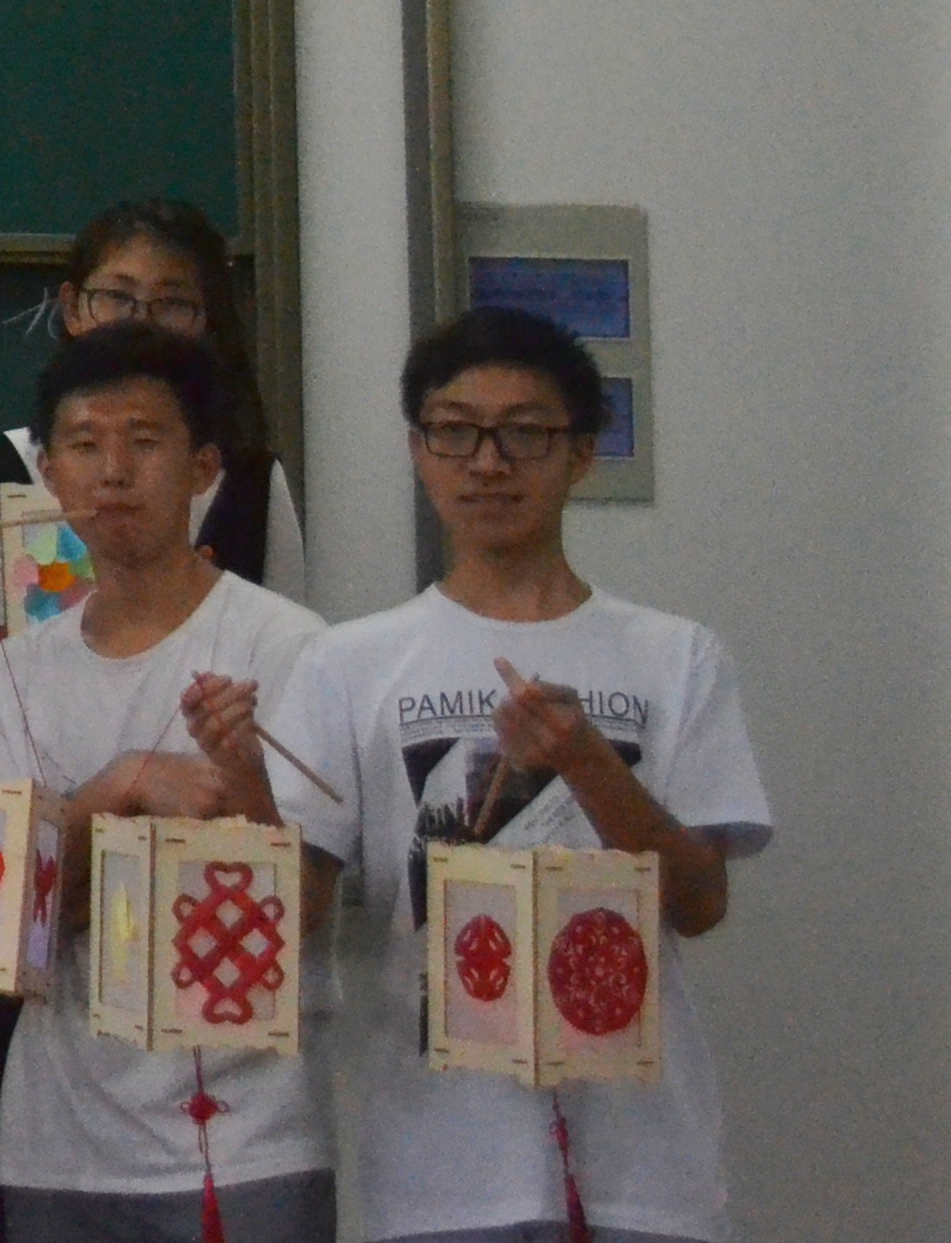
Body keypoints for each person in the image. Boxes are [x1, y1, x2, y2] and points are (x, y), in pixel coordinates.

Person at [282, 308, 769, 1243]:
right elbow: (299, 905)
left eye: (526, 433)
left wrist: (588, 763)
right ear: (419, 451)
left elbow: (701, 904)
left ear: (582, 454)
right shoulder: (347, 663)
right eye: (455, 431)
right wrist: (233, 773)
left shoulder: (677, 656)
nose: (488, 462)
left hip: (642, 1162)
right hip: (437, 1165)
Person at [0, 328, 327, 1243]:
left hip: (247, 1142)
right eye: (85, 444)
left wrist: (246, 791)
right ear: (49, 474)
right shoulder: (8, 676)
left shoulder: (292, 647)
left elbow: (310, 911)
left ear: (204, 469)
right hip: (57, 1141)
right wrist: (122, 787)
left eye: (145, 441)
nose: (114, 471)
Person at [0, 205, 306, 629]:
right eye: (117, 298)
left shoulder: (252, 478)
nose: (140, 321)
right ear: (72, 307)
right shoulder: (2, 466)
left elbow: (288, 640)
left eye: (172, 303)